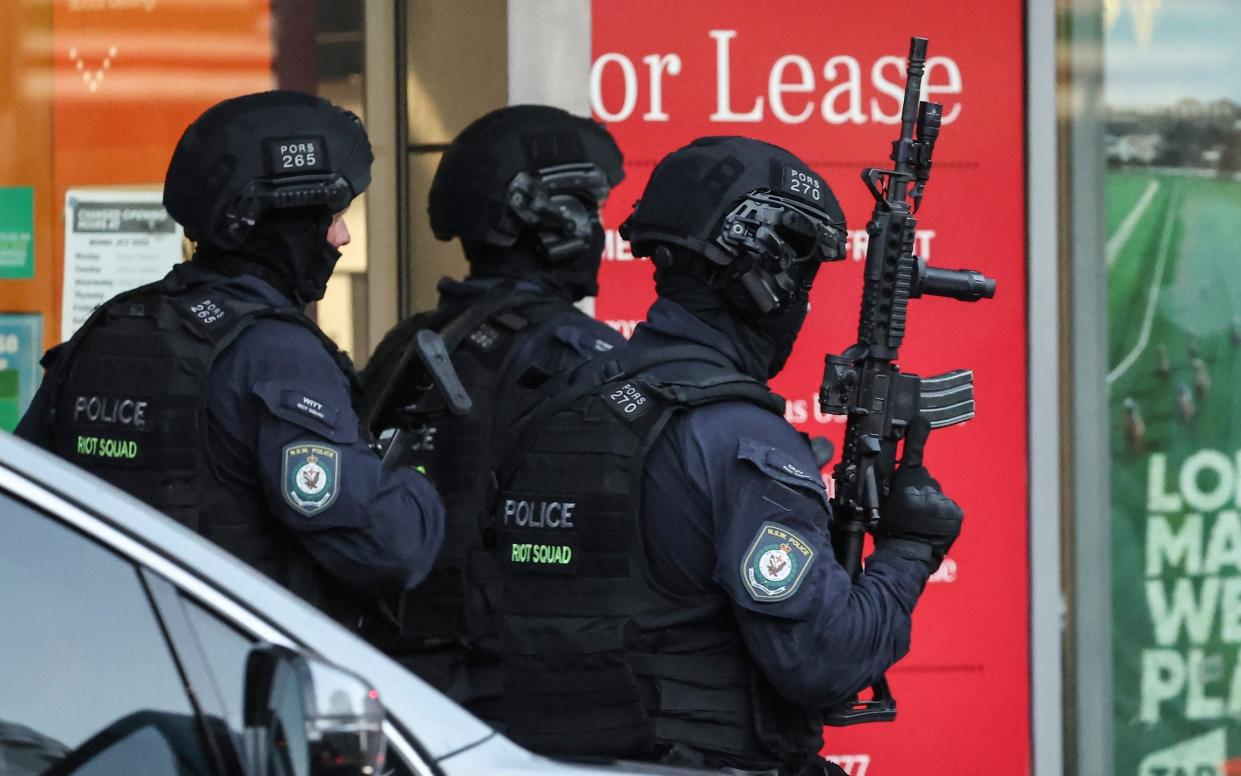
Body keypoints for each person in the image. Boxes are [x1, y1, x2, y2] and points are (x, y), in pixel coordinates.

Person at [490, 137, 965, 774]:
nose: (803, 301)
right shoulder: (738, 438)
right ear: (763, 273)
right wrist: (910, 551)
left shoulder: (559, 399)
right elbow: (824, 660)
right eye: (804, 276)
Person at [16, 91, 444, 626]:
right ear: (276, 221)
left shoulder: (112, 326)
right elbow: (385, 549)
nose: (342, 235)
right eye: (331, 217)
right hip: (229, 678)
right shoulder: (275, 355)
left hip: (98, 669)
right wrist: (418, 477)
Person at [357, 104, 626, 718]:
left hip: (405, 669)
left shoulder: (414, 340)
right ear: (545, 217)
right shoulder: (576, 352)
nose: (597, 230)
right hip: (518, 688)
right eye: (589, 209)